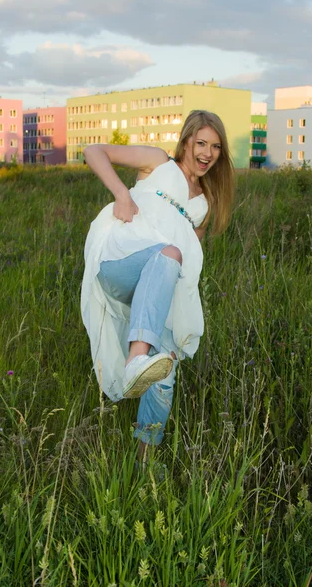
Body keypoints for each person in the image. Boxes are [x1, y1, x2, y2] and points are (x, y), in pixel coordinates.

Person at [81, 110, 234, 452]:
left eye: (216, 147)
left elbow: (187, 266)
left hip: (158, 278)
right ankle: (137, 359)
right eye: (201, 143)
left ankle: (144, 458)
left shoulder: (205, 204)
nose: (207, 153)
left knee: (166, 368)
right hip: (120, 261)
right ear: (186, 141)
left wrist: (176, 326)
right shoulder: (158, 162)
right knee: (169, 253)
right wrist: (123, 194)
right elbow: (94, 151)